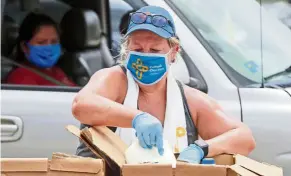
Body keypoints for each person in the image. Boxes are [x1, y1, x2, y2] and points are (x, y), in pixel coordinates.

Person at [72, 6, 255, 163]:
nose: (145, 56)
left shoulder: (190, 101)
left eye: (154, 50)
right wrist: (137, 118)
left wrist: (202, 149)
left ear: (174, 52)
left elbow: (244, 139)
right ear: (126, 50)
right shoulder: (114, 80)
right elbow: (81, 106)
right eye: (137, 49)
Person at [6, 12, 75, 86]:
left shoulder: (56, 71)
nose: (49, 47)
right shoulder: (20, 77)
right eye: (41, 42)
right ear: (25, 47)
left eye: (54, 42)